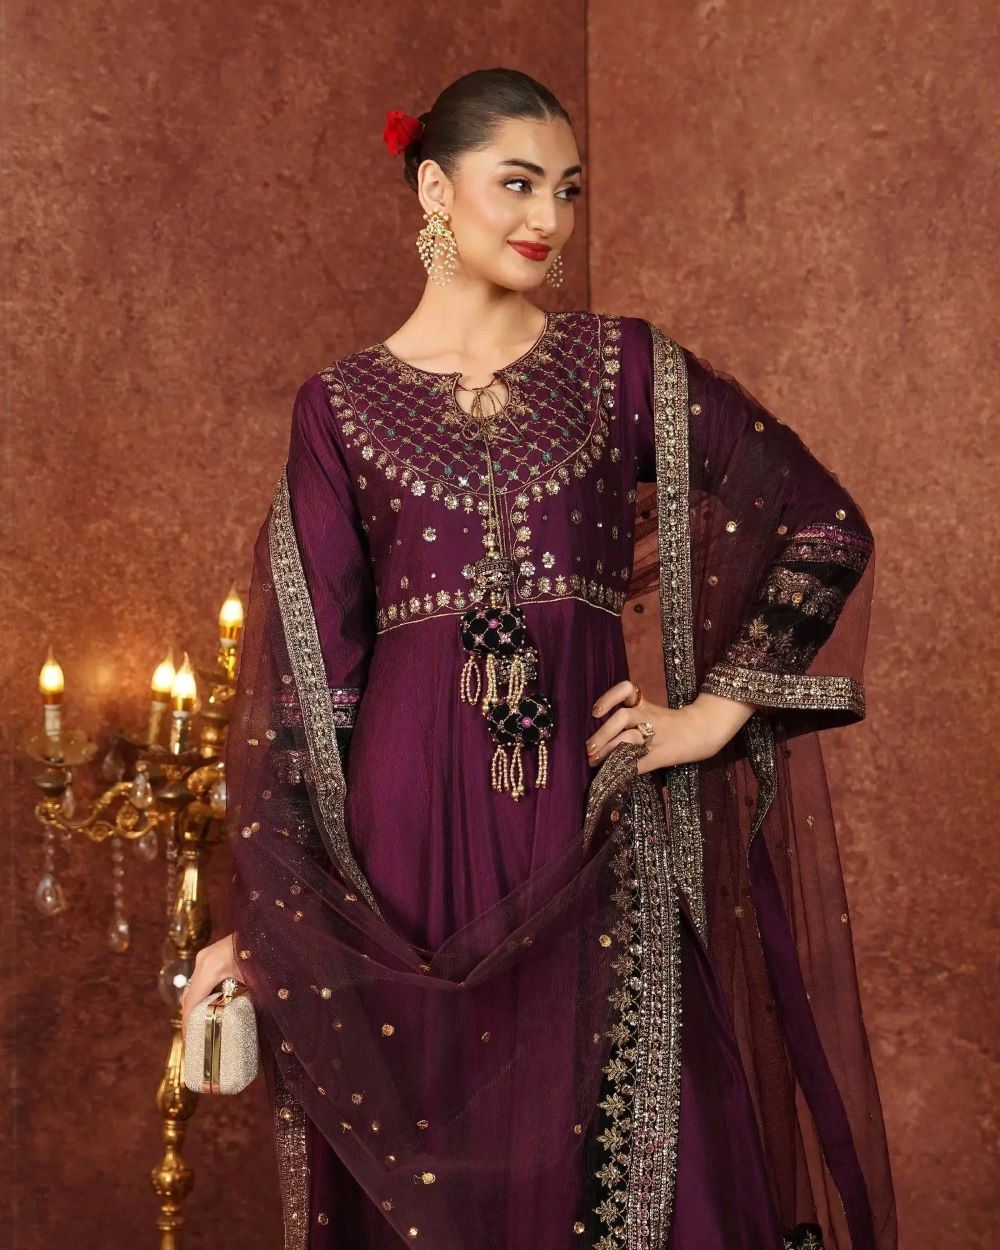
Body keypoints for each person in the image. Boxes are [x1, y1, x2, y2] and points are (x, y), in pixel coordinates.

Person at [181, 67, 897, 1250]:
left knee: (646, 1156)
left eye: (566, 189)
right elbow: (308, 696)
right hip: (402, 858)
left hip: (588, 820)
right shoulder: (338, 407)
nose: (547, 218)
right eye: (516, 183)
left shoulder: (621, 366)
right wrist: (267, 918)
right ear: (433, 188)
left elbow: (822, 523)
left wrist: (711, 713)